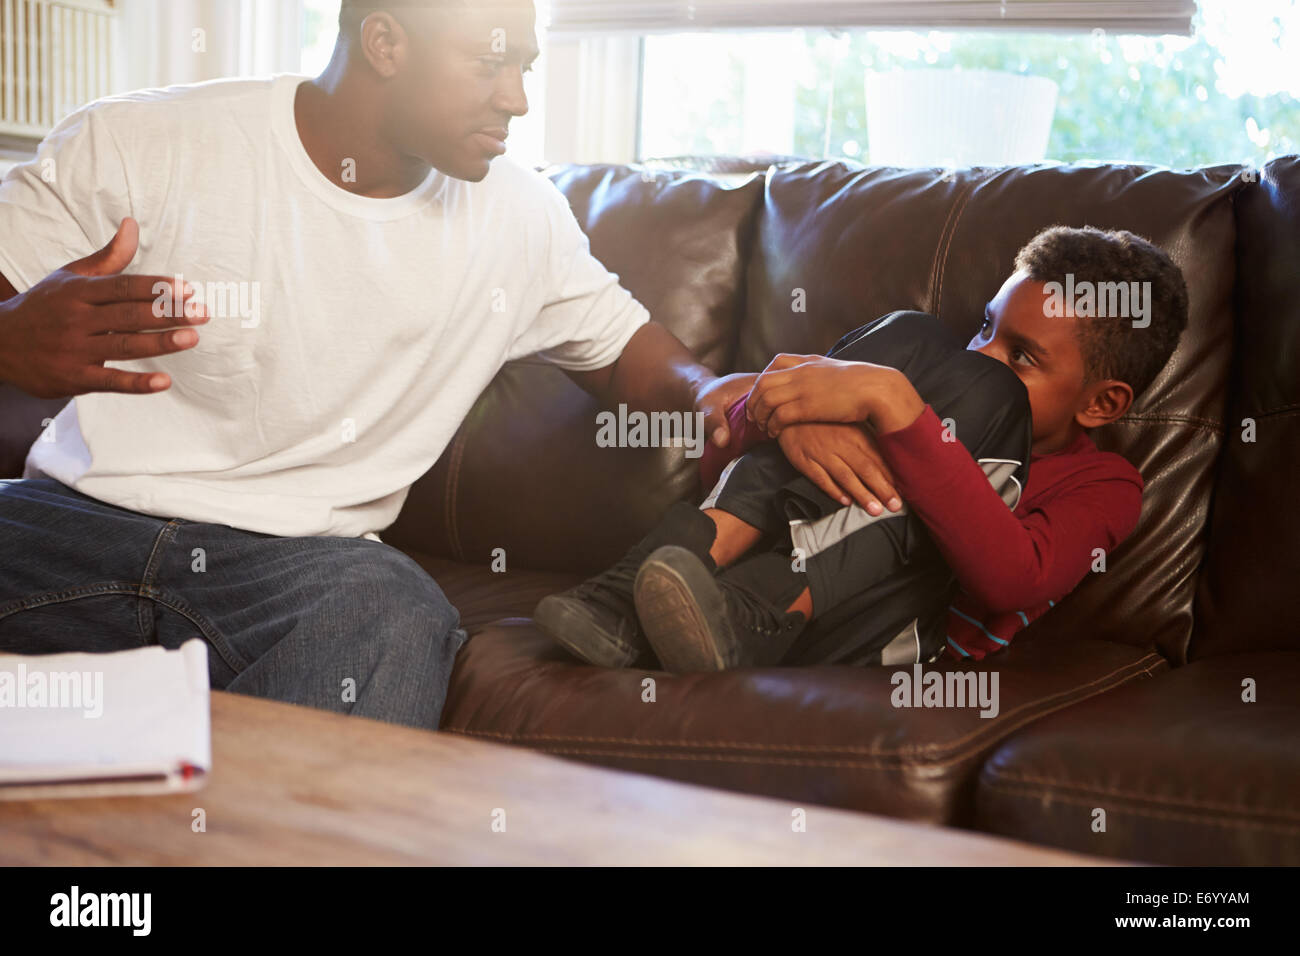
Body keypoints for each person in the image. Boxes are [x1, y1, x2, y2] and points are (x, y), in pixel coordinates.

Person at [0, 0, 759, 729]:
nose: (518, 98)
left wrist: (721, 399)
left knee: (393, 610)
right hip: (63, 530)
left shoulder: (518, 217)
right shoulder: (144, 141)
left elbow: (632, 355)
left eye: (526, 67)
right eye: (491, 63)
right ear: (386, 44)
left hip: (299, 573)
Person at [536, 225, 1189, 672]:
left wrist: (898, 412)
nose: (982, 353)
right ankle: (630, 596)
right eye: (987, 326)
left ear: (1102, 403)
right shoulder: (926, 368)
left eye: (1021, 355)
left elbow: (1010, 581)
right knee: (910, 336)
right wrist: (794, 423)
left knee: (973, 403)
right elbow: (723, 427)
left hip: (878, 635)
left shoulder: (1107, 486)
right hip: (708, 595)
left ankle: (759, 609)